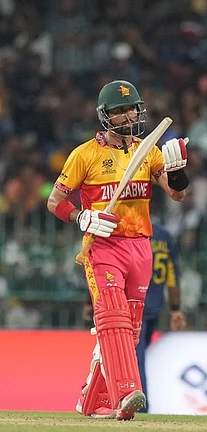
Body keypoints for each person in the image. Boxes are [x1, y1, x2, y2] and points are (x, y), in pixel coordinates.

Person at [46, 80, 190, 420]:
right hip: (103, 246)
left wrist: (179, 173)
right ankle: (126, 392)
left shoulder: (149, 150)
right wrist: (82, 216)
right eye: (119, 111)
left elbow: (177, 194)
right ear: (105, 116)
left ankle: (92, 401)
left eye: (131, 109)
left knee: (132, 327)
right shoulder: (85, 154)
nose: (127, 116)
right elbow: (54, 201)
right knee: (112, 319)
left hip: (141, 245)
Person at [137, 221, 187, 413]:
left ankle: (140, 407)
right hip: (154, 307)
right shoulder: (164, 236)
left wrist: (89, 301)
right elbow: (173, 274)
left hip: (132, 304)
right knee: (137, 355)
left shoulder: (127, 229)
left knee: (134, 356)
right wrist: (175, 308)